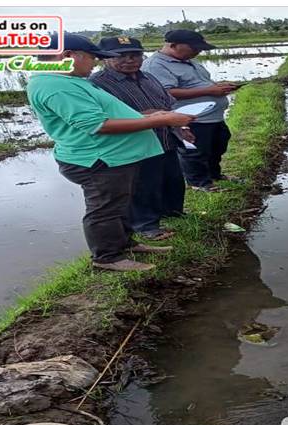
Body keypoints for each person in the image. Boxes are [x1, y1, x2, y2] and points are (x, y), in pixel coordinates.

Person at [27, 33, 194, 272]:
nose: (94, 64)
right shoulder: (56, 86)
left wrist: (150, 116)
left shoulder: (69, 81)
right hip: (98, 158)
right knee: (104, 209)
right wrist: (164, 118)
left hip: (115, 156)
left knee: (120, 204)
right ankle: (107, 257)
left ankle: (126, 244)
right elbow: (99, 125)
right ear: (67, 56)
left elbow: (110, 115)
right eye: (91, 58)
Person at [91, 36, 192, 241]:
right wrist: (147, 115)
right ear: (104, 58)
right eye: (121, 56)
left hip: (165, 137)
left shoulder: (148, 77)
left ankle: (173, 213)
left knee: (172, 179)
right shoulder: (97, 85)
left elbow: (169, 106)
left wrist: (182, 126)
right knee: (144, 185)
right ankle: (146, 226)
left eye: (135, 54)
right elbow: (104, 119)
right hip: (135, 144)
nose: (130, 60)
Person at [143, 29, 239, 193]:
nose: (198, 51)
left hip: (212, 117)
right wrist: (209, 91)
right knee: (194, 152)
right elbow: (166, 93)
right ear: (173, 45)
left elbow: (199, 83)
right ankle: (199, 183)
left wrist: (219, 86)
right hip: (190, 118)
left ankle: (214, 175)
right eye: (194, 48)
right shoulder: (156, 65)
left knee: (217, 147)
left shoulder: (189, 61)